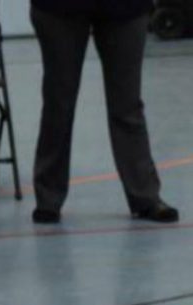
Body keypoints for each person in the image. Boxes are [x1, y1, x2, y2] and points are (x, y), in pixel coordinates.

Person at [30, 0, 178, 224]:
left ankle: (145, 196)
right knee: (58, 104)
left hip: (125, 9)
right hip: (59, 8)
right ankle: (48, 199)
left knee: (128, 105)